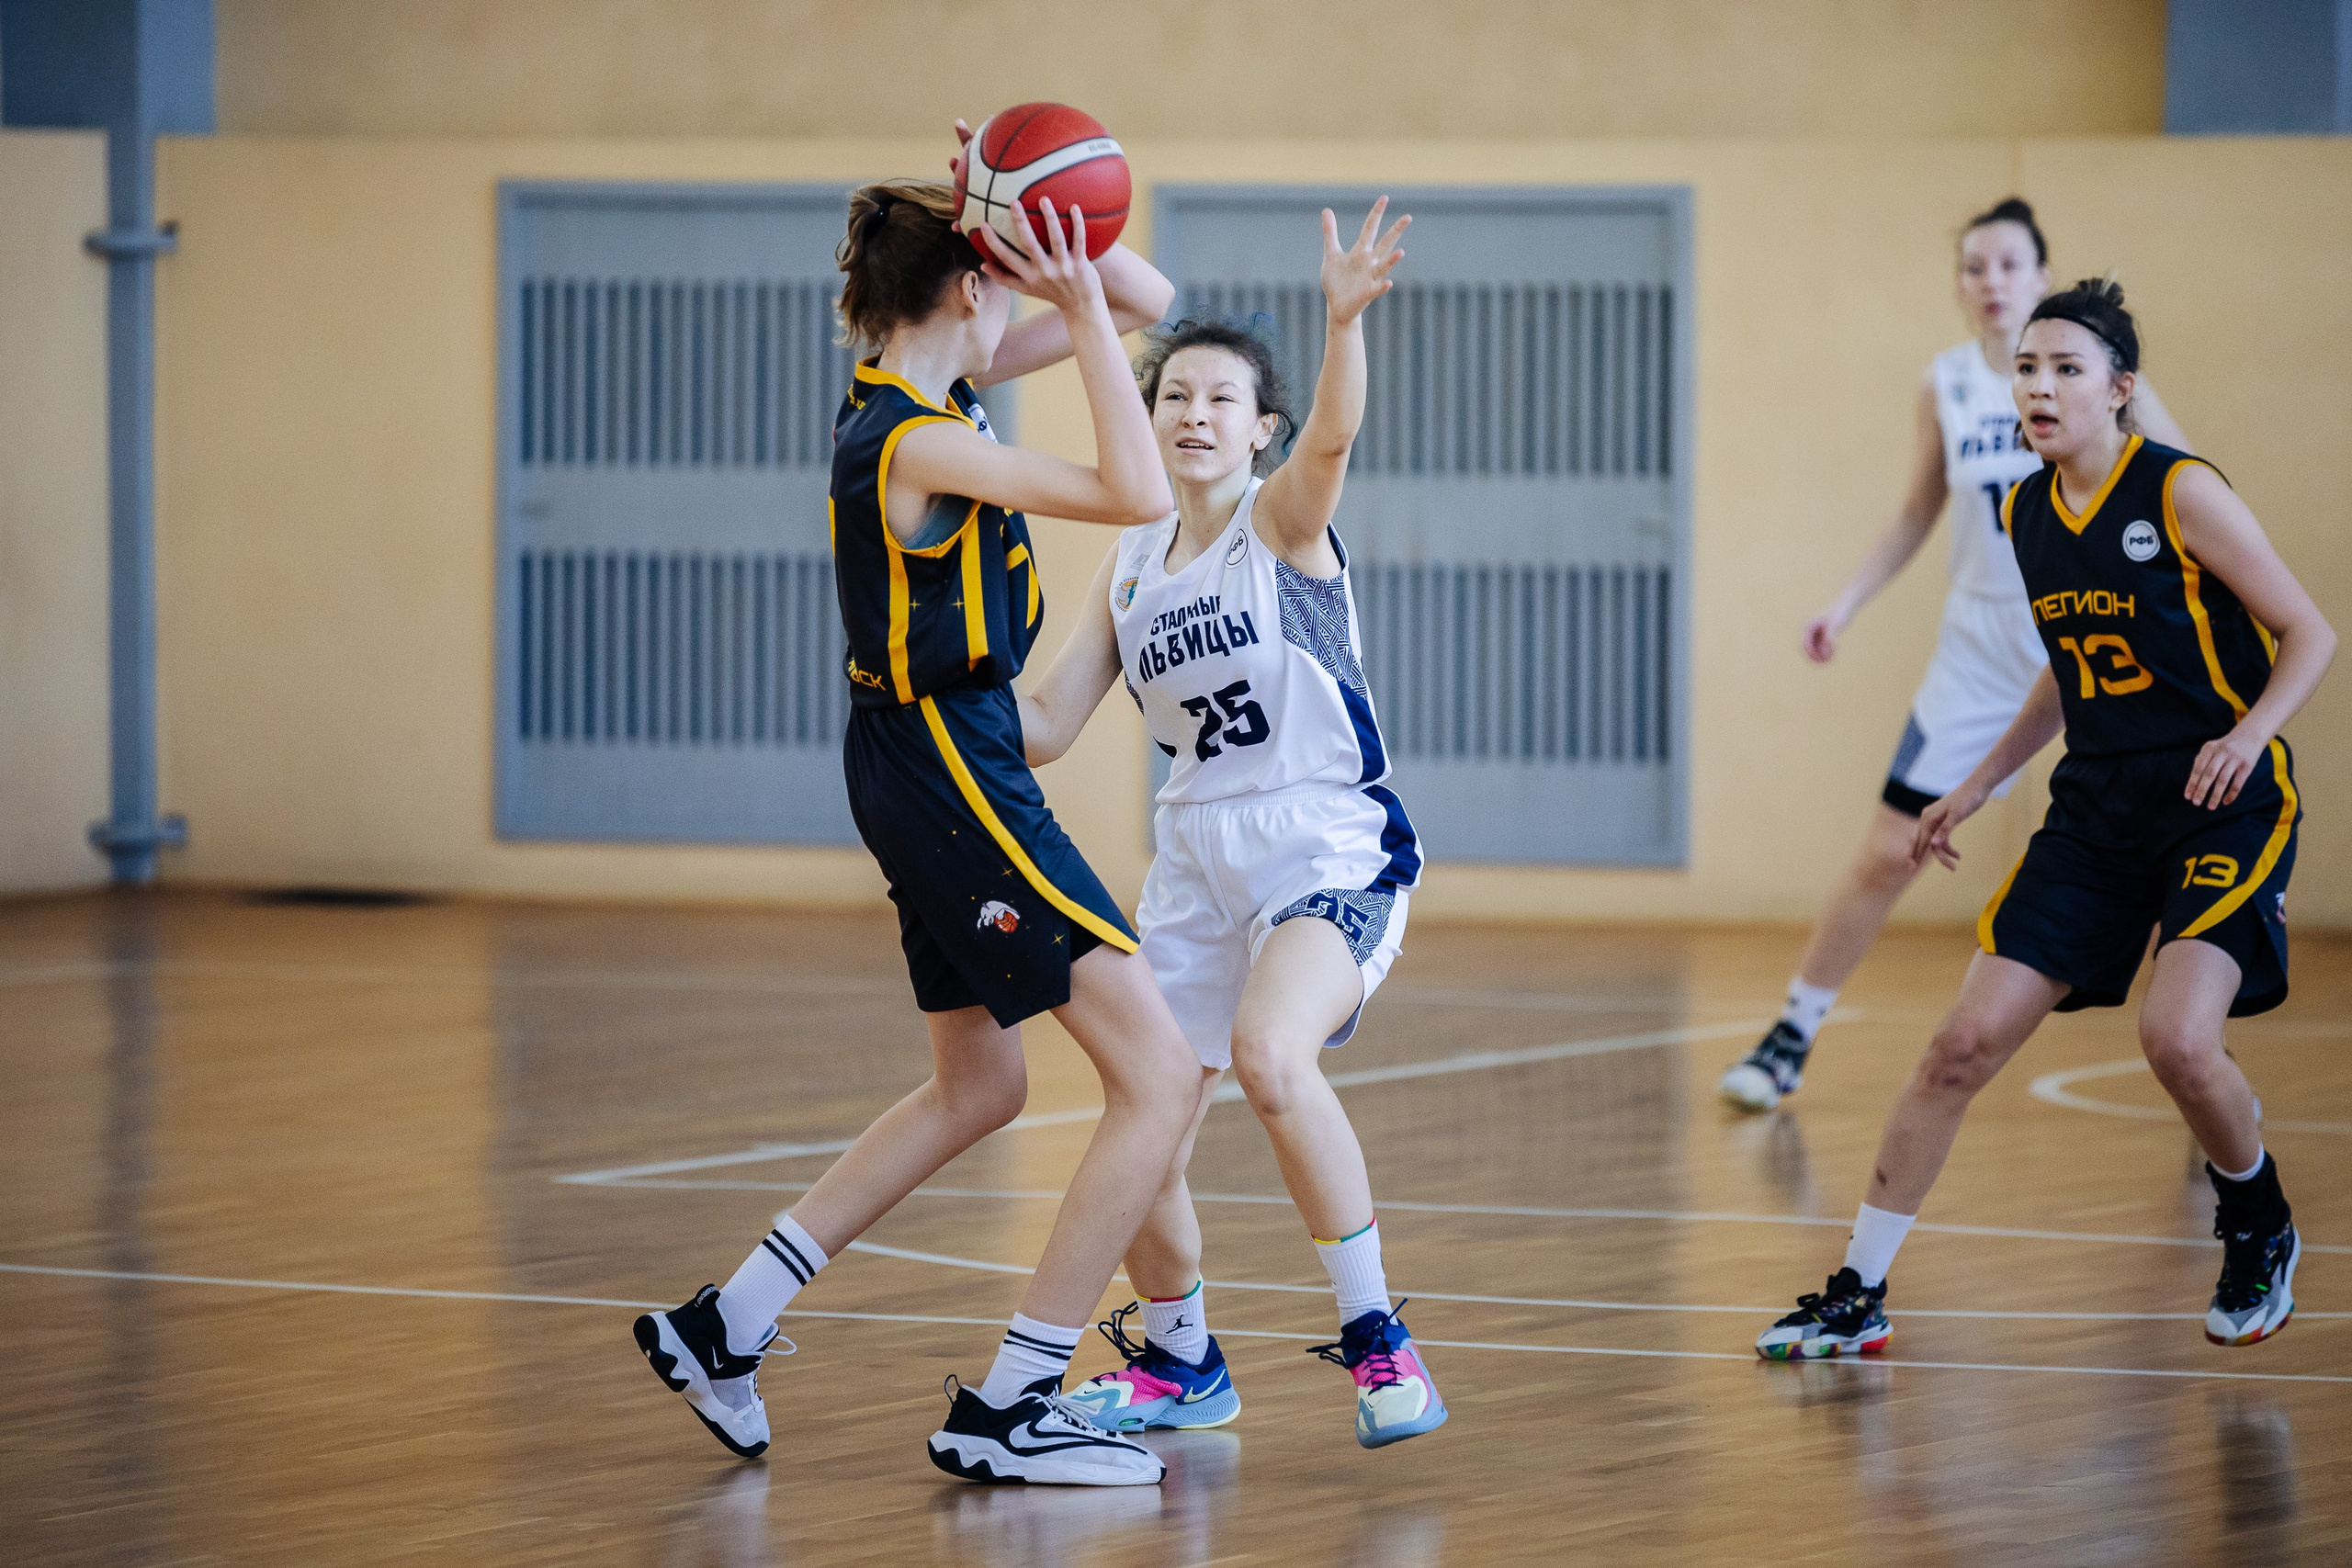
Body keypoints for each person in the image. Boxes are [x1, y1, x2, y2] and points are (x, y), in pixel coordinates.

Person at [633, 173, 1205, 1487]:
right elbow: (1132, 486)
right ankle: (1015, 1396)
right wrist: (1053, 278)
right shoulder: (915, 440)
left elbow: (1157, 311)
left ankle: (730, 1322)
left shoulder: (927, 393)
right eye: (994, 269)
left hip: (924, 761)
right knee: (1160, 1074)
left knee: (980, 1084)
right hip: (949, 765)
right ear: (969, 288)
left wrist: (1018, 213)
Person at [1756, 277, 2334, 1359]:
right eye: (2026, 367)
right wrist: (1971, 785)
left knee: (2175, 1039)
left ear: (2119, 392)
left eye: (2067, 369)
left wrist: (2250, 733)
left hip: (2220, 801)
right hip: (2097, 809)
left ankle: (2256, 1218)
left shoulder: (2180, 493)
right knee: (1959, 1045)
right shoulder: (2024, 509)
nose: (2039, 386)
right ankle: (1857, 1290)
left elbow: (2309, 631)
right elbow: (2067, 679)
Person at [1014, 199, 1448, 1450]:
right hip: (1194, 853)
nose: (1193, 414)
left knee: (1270, 1055)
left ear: (1257, 428)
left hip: (1324, 841)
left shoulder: (1281, 524)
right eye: (1174, 397)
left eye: (1220, 400)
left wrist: (1343, 323)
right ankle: (1182, 1356)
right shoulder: (1135, 560)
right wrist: (926, 676)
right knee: (1145, 1099)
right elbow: (1047, 719)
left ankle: (1380, 1341)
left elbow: (1337, 432)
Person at [1720, 199, 2188, 1112]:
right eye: (1974, 267)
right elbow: (1915, 511)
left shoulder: (2100, 376)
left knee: (2172, 850)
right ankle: (1790, 1036)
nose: (1991, 282)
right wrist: (1845, 604)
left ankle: (2203, 1079)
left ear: (2042, 274)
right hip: (1981, 649)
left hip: (2103, 643)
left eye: (2009, 265)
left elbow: (2187, 483)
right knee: (1888, 847)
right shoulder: (1948, 383)